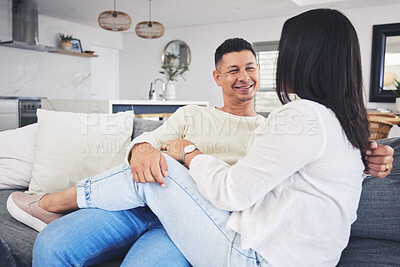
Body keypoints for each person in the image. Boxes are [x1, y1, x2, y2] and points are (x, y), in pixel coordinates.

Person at [8, 30, 393, 266]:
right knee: (53, 246)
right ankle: (55, 204)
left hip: (209, 220)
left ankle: (51, 200)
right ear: (217, 76)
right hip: (143, 201)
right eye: (233, 70)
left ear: (260, 72)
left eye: (250, 68)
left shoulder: (276, 129)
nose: (244, 78)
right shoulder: (192, 112)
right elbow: (148, 143)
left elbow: (309, 178)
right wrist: (140, 148)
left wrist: (365, 160)